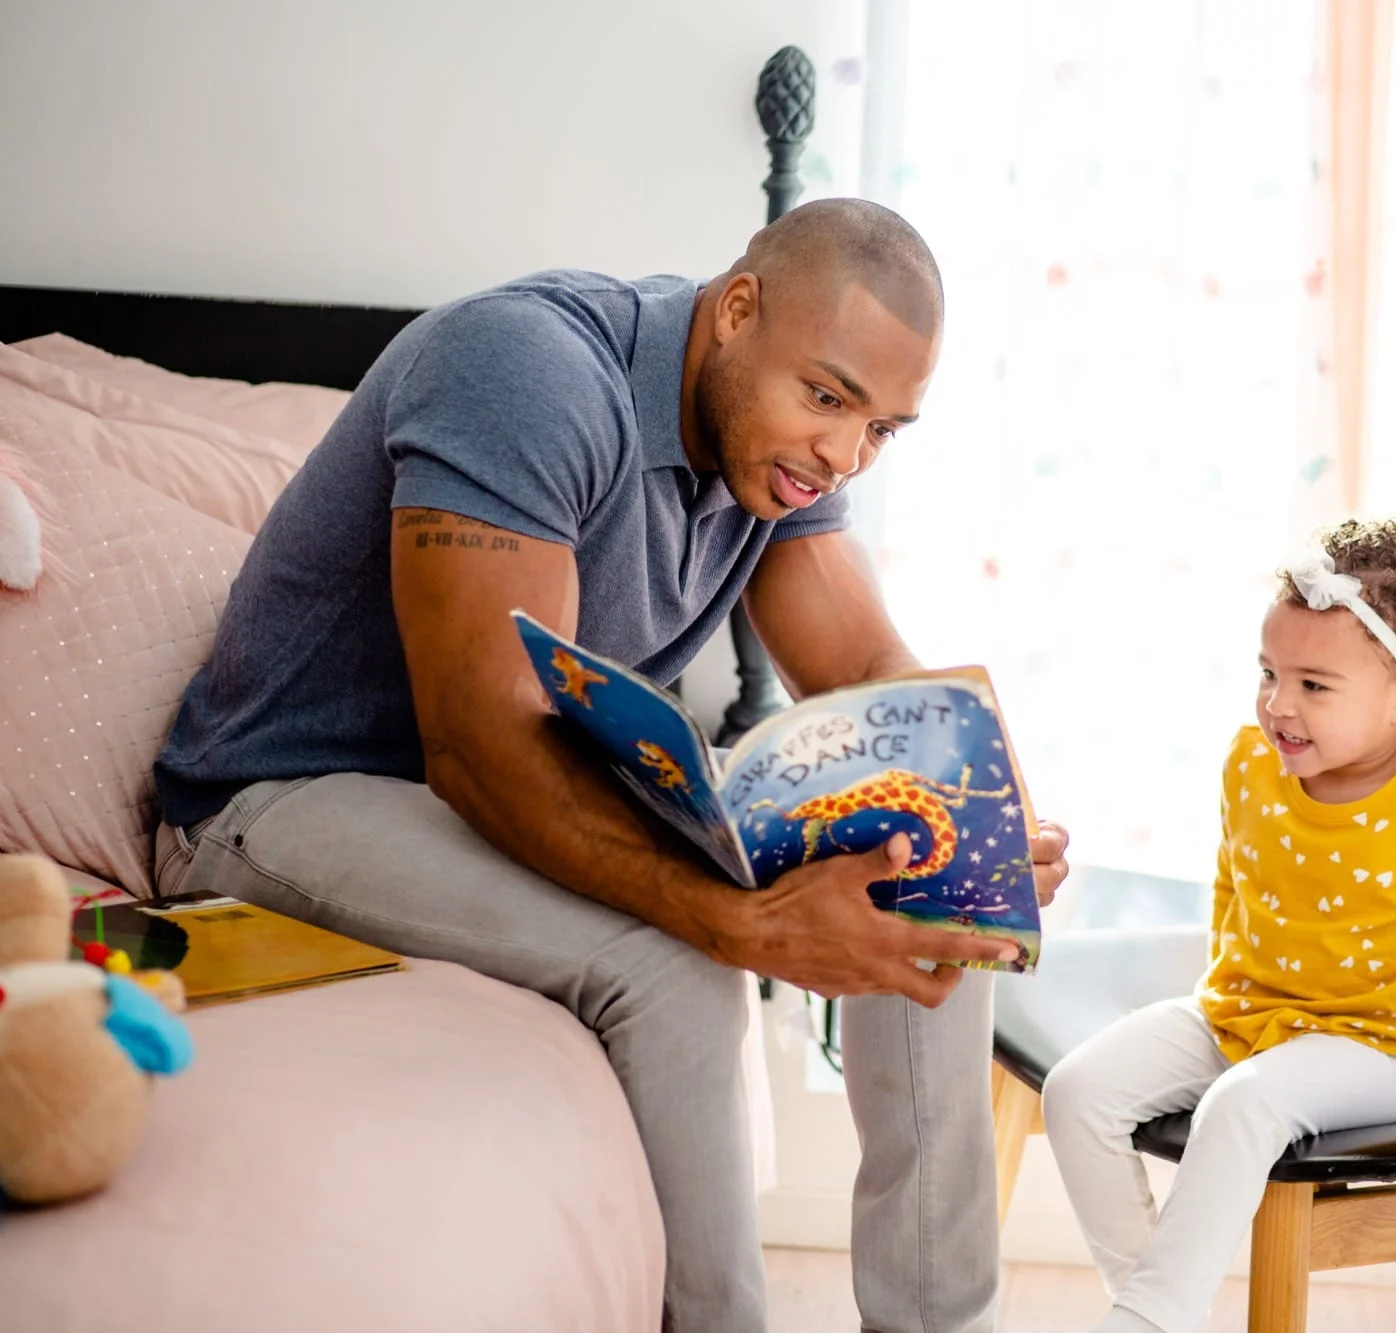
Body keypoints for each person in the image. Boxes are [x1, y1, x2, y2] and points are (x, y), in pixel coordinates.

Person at [150, 198, 1070, 1333]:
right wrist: (732, 924)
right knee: (675, 965)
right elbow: (481, 745)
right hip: (280, 798)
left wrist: (971, 809)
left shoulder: (774, 453)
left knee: (913, 856)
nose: (842, 455)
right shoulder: (522, 372)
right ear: (736, 310)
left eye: (882, 428)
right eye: (828, 397)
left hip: (474, 784)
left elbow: (864, 663)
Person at [1040, 519, 1396, 1333]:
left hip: (1372, 1045)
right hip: (1242, 1012)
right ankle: (1153, 1305)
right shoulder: (1250, 764)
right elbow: (1234, 883)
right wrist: (1220, 990)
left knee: (1239, 1105)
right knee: (1076, 1091)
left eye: (1314, 686)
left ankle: (1147, 1318)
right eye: (1268, 673)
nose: (1277, 705)